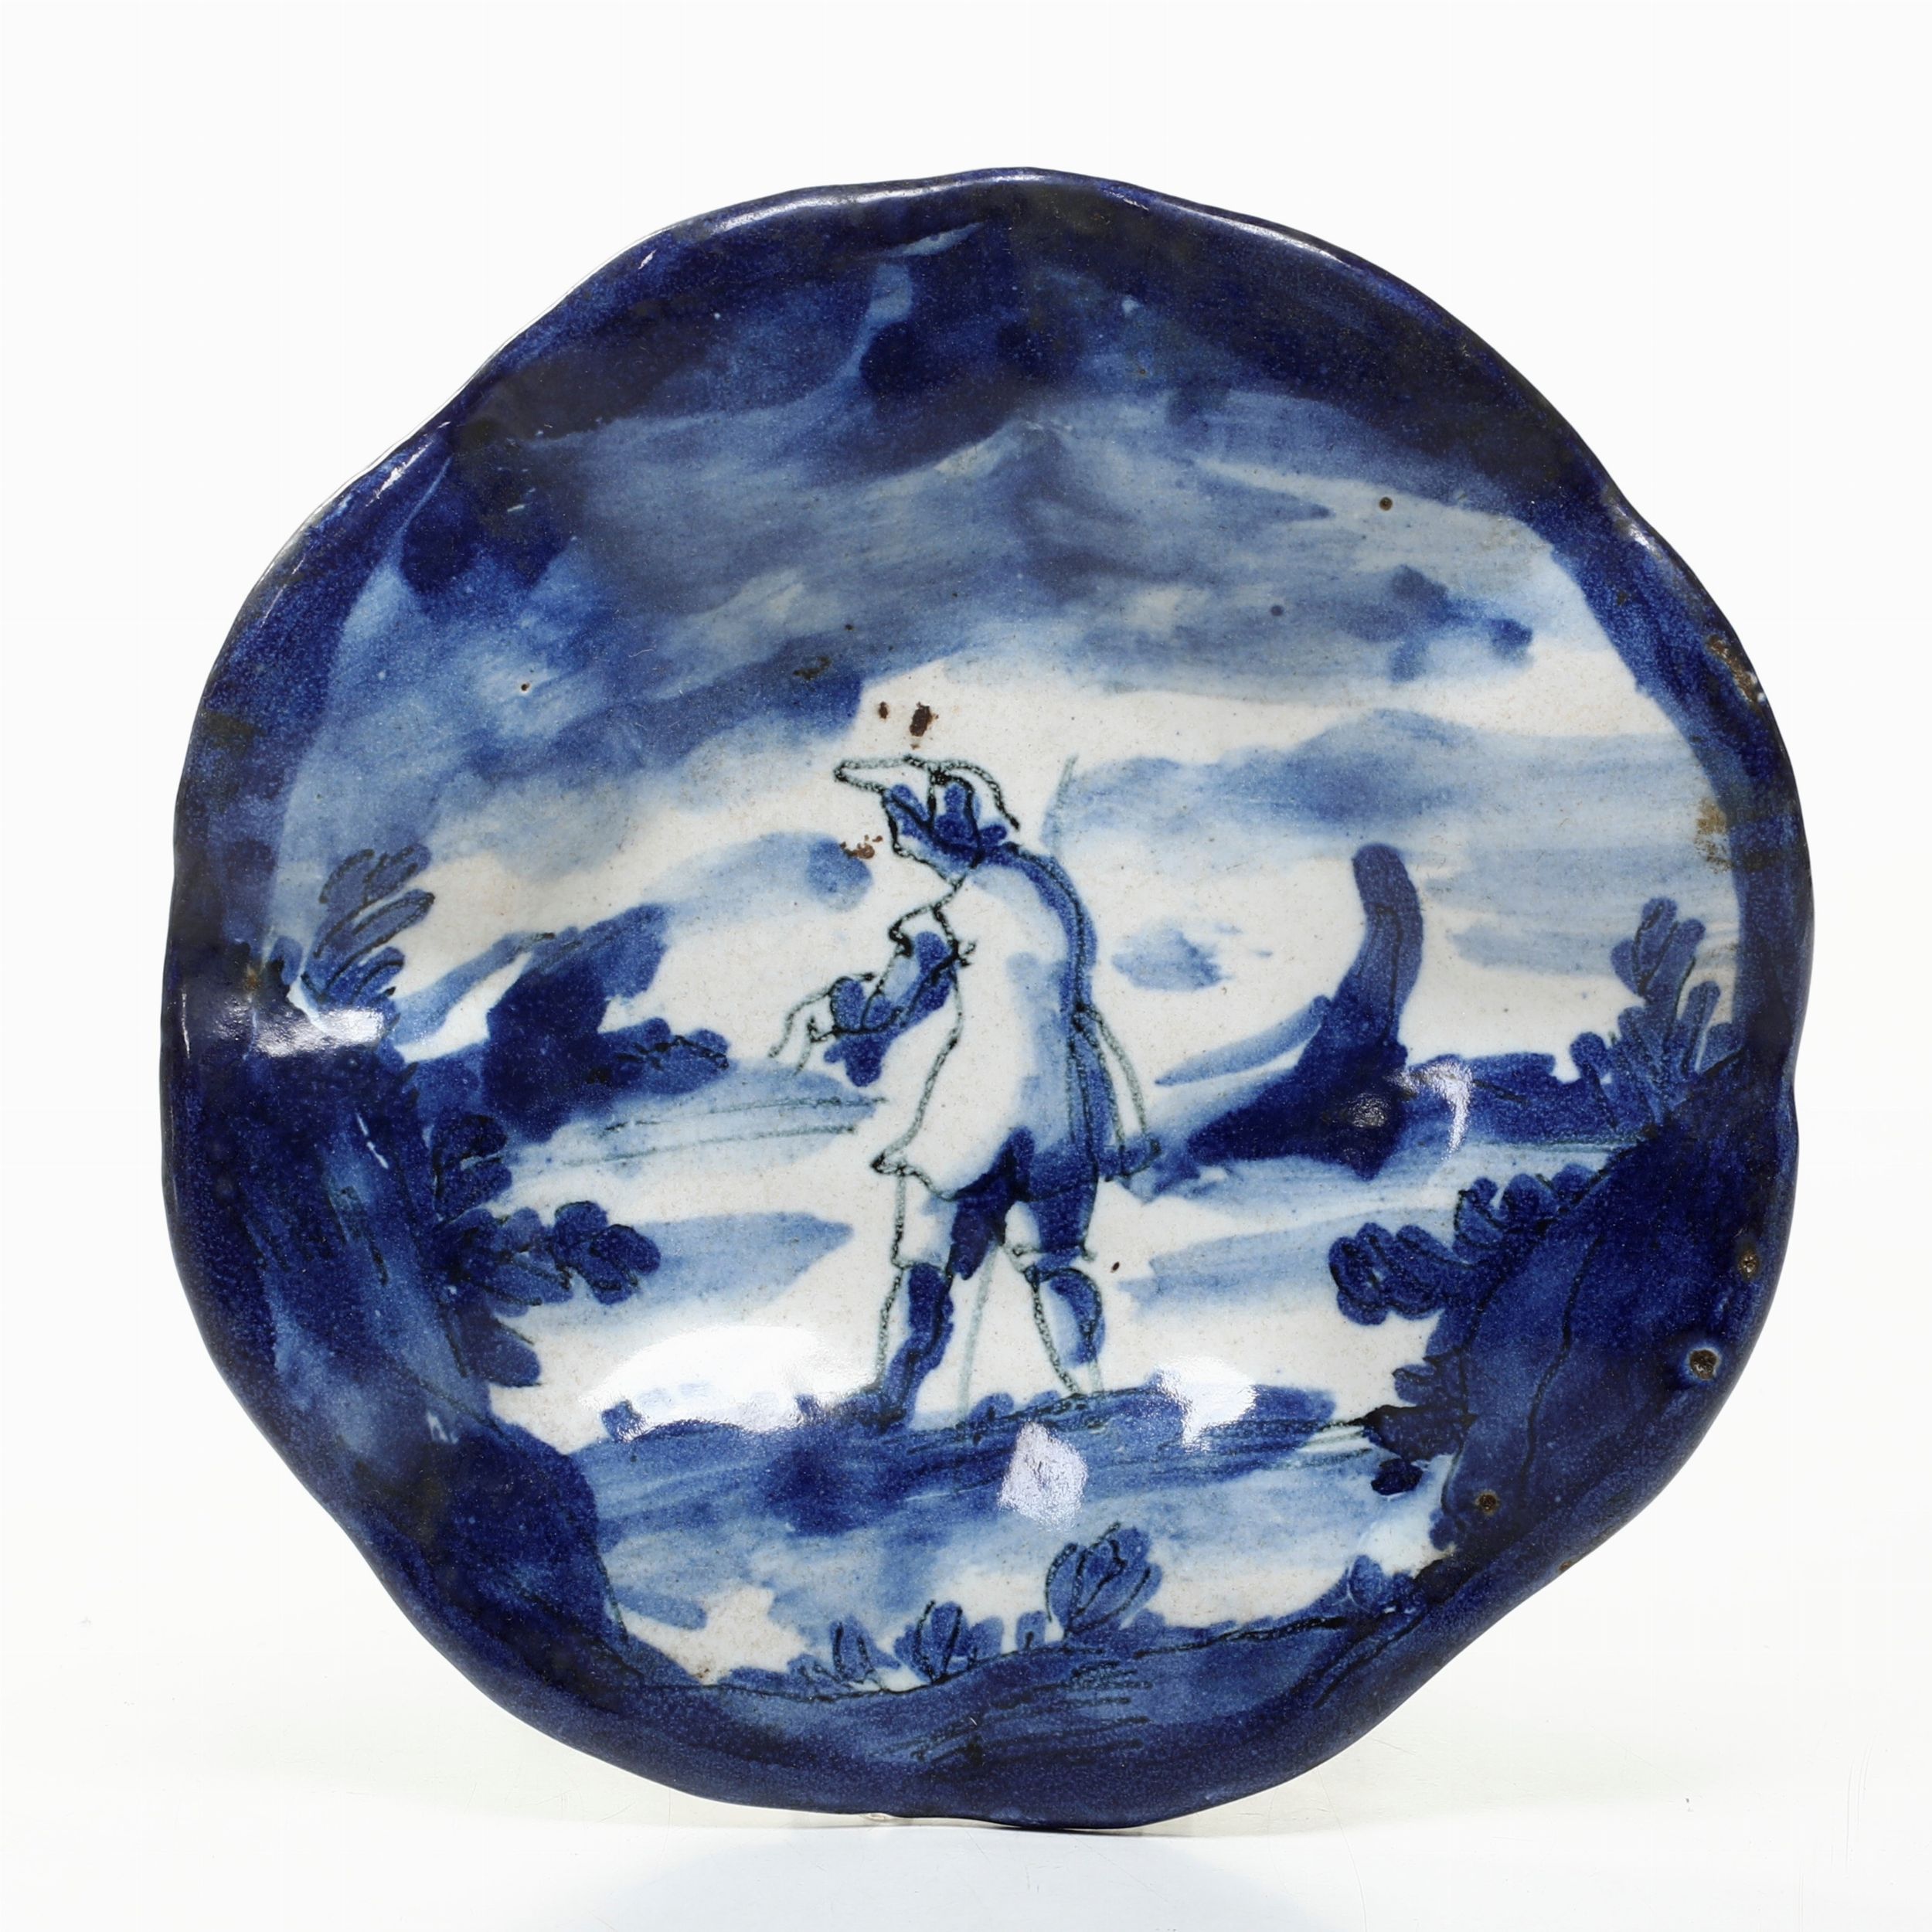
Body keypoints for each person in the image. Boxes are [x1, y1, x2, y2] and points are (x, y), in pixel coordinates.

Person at [773, 757, 1153, 1424]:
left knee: (926, 1255)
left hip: (982, 1107)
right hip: (1065, 1106)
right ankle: (1091, 1391)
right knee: (1054, 1260)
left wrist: (833, 1014)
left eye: (905, 824)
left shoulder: (945, 916)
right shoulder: (1048, 889)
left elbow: (886, 1004)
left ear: (940, 829)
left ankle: (892, 1396)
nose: (900, 839)